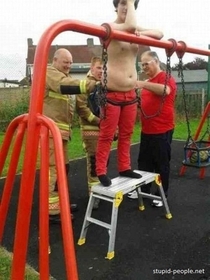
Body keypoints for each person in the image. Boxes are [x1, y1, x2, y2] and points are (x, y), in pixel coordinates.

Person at [95, 0, 163, 186]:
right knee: (107, 135)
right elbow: (130, 25)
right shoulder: (109, 27)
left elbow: (159, 34)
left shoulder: (134, 30)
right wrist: (131, 7)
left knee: (127, 134)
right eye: (123, 3)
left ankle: (124, 166)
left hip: (130, 94)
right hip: (112, 93)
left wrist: (142, 33)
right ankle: (100, 170)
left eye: (130, 4)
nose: (126, 7)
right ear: (116, 6)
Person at [44, 48, 98, 222]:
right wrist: (92, 84)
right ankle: (51, 211)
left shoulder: (62, 76)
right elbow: (65, 86)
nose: (68, 65)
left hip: (61, 133)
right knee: (53, 169)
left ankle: (60, 202)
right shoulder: (50, 73)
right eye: (65, 62)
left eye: (70, 62)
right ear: (55, 60)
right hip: (50, 132)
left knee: (62, 168)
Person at [128, 50, 177, 207]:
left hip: (162, 130)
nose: (143, 67)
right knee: (144, 163)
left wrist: (142, 84)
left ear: (156, 61)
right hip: (147, 130)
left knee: (161, 164)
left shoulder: (165, 77)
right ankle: (144, 190)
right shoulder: (150, 81)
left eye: (146, 63)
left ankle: (162, 194)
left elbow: (166, 90)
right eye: (141, 64)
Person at [76, 56, 103, 210]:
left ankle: (100, 190)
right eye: (98, 67)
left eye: (102, 68)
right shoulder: (85, 84)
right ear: (92, 68)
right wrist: (98, 121)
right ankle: (94, 195)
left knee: (102, 162)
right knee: (93, 162)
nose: (101, 71)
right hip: (90, 129)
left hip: (103, 129)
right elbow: (82, 108)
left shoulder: (103, 84)